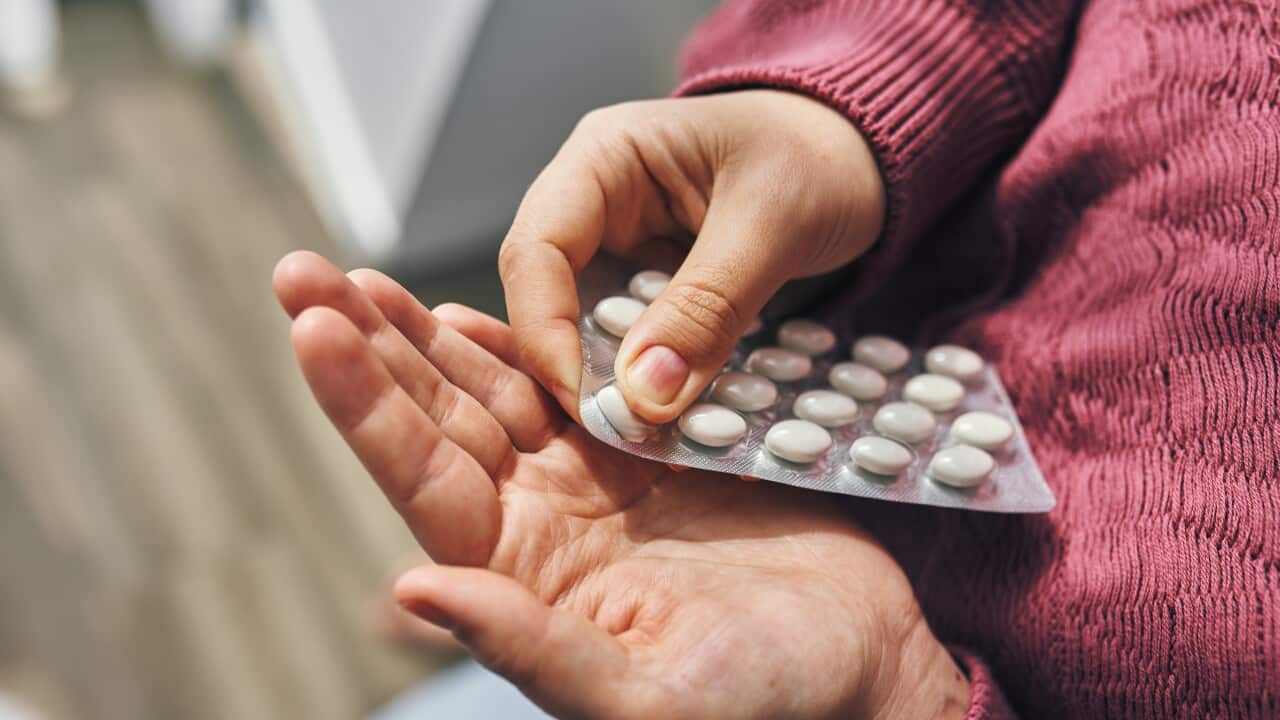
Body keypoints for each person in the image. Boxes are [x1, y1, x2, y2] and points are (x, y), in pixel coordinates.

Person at [274, 0, 1280, 717]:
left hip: (828, 665)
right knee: (515, 614)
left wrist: (901, 702)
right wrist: (836, 111)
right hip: (714, 511)